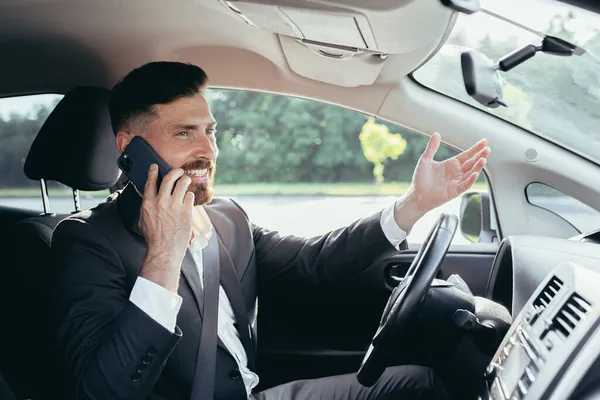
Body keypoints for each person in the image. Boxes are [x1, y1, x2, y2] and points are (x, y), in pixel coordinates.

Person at [51, 61, 490, 400]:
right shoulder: (87, 242)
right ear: (131, 148)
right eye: (184, 133)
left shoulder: (227, 218)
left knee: (421, 384)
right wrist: (164, 253)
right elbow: (103, 391)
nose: (207, 149)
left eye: (210, 130)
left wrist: (414, 205)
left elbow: (316, 261)